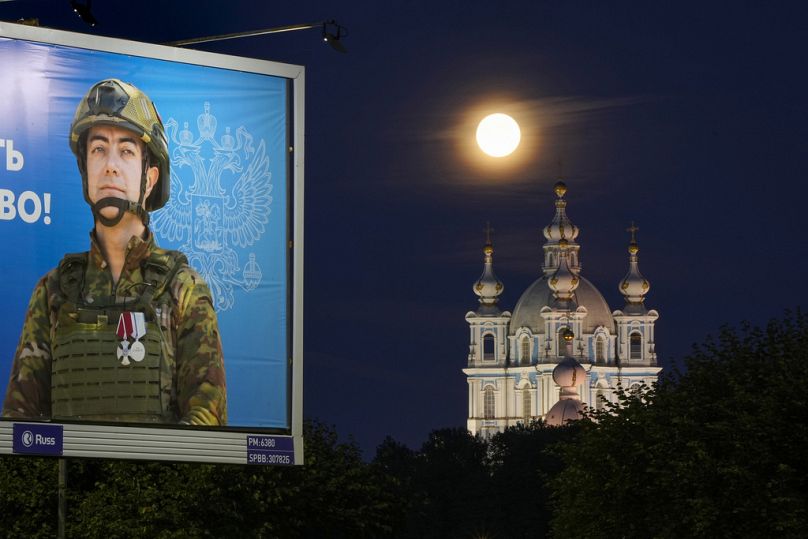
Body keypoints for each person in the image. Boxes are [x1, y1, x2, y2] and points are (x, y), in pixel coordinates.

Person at [2, 79, 227, 425]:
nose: (110, 165)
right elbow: (19, 421)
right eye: (98, 150)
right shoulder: (52, 291)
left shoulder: (183, 290)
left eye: (125, 151)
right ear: (85, 170)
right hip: (66, 479)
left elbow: (207, 421)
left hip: (158, 478)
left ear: (149, 178)